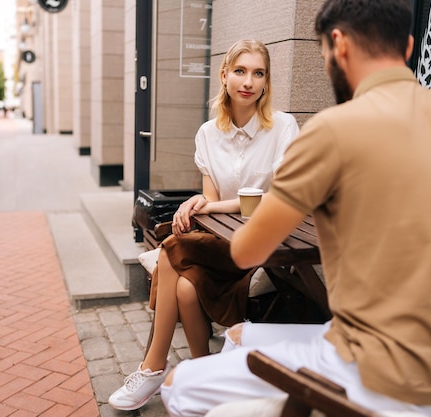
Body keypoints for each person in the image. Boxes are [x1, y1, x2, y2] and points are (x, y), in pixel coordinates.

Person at [160, 1, 431, 416]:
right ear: (407, 47)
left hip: (373, 375)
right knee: (240, 335)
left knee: (178, 387)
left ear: (338, 44)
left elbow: (245, 253)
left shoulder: (333, 131)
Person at [108, 39, 300, 411]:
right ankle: (201, 373)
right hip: (223, 244)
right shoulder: (208, 134)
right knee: (183, 287)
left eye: (258, 73)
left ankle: (154, 367)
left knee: (172, 253)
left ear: (266, 81)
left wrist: (212, 206)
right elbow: (212, 203)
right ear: (224, 75)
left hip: (267, 247)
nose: (249, 82)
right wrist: (198, 203)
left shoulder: (283, 128)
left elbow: (278, 202)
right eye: (240, 71)